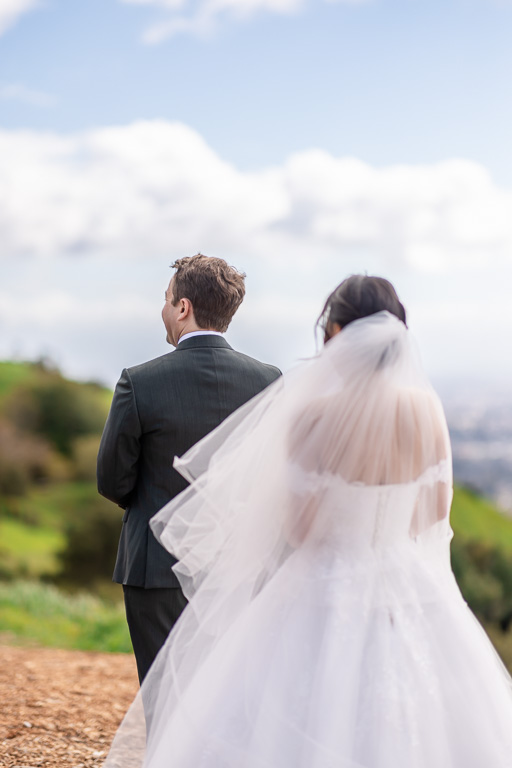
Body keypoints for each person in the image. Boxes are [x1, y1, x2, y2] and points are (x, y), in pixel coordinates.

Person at [104, 275, 512, 768]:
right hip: (405, 585)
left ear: (335, 333)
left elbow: (299, 527)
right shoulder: (426, 410)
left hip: (324, 583)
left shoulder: (313, 417)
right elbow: (431, 515)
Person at [97, 254, 281, 684]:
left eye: (166, 299)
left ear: (183, 307)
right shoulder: (270, 381)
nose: (164, 309)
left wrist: (151, 502)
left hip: (155, 567)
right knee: (228, 695)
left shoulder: (138, 381)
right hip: (240, 567)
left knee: (165, 695)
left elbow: (111, 481)